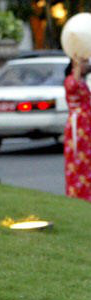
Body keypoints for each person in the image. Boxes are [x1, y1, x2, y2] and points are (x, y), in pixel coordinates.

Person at [64, 56, 91, 201]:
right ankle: (77, 192)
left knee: (87, 159)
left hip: (86, 125)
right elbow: (72, 87)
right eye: (84, 62)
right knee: (77, 158)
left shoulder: (83, 82)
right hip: (78, 125)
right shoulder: (71, 80)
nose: (87, 65)